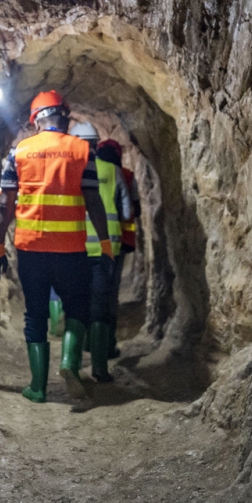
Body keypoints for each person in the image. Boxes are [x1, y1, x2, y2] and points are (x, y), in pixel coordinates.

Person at [0, 91, 112, 403]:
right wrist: (106, 244)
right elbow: (93, 200)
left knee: (36, 316)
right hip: (71, 249)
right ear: (64, 116)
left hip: (31, 249)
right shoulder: (83, 151)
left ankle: (38, 388)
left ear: (36, 119)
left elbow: (5, 207)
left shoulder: (18, 152)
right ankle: (70, 363)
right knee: (78, 307)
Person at [67, 123, 130, 383]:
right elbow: (126, 213)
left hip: (74, 247)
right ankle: (100, 368)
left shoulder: (67, 169)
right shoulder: (114, 171)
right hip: (106, 247)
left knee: (75, 306)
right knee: (101, 306)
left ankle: (70, 364)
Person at [99, 139, 138, 359]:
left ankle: (89, 342)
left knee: (89, 292)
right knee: (110, 293)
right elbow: (132, 210)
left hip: (86, 242)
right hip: (117, 241)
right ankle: (107, 344)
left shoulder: (87, 171)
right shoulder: (125, 175)